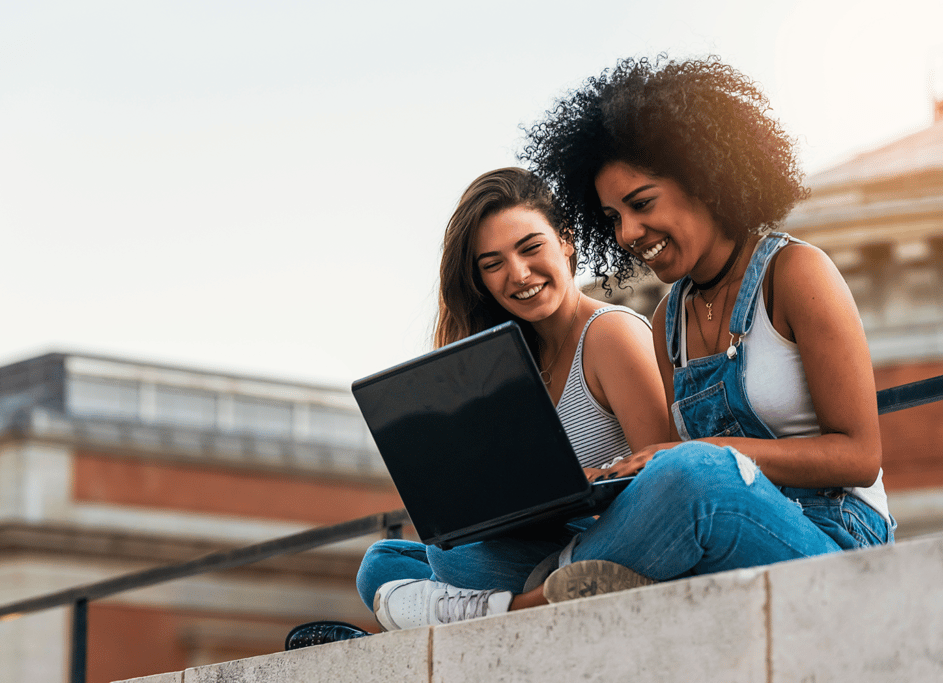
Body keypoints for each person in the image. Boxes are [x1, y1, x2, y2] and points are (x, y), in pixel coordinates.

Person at [512, 56, 893, 597]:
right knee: (412, 557)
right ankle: (550, 579)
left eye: (641, 204)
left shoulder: (795, 274)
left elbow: (859, 456)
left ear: (706, 181)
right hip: (719, 537)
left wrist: (704, 455)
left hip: (835, 535)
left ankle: (532, 595)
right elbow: (669, 480)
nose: (627, 233)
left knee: (696, 474)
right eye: (613, 217)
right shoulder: (667, 319)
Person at [354, 167, 670, 631]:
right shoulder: (506, 360)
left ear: (566, 240)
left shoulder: (612, 334)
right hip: (533, 547)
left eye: (530, 247)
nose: (518, 274)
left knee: (458, 566)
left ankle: (475, 609)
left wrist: (581, 482)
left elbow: (665, 476)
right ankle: (514, 608)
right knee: (380, 563)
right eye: (493, 263)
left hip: (606, 543)